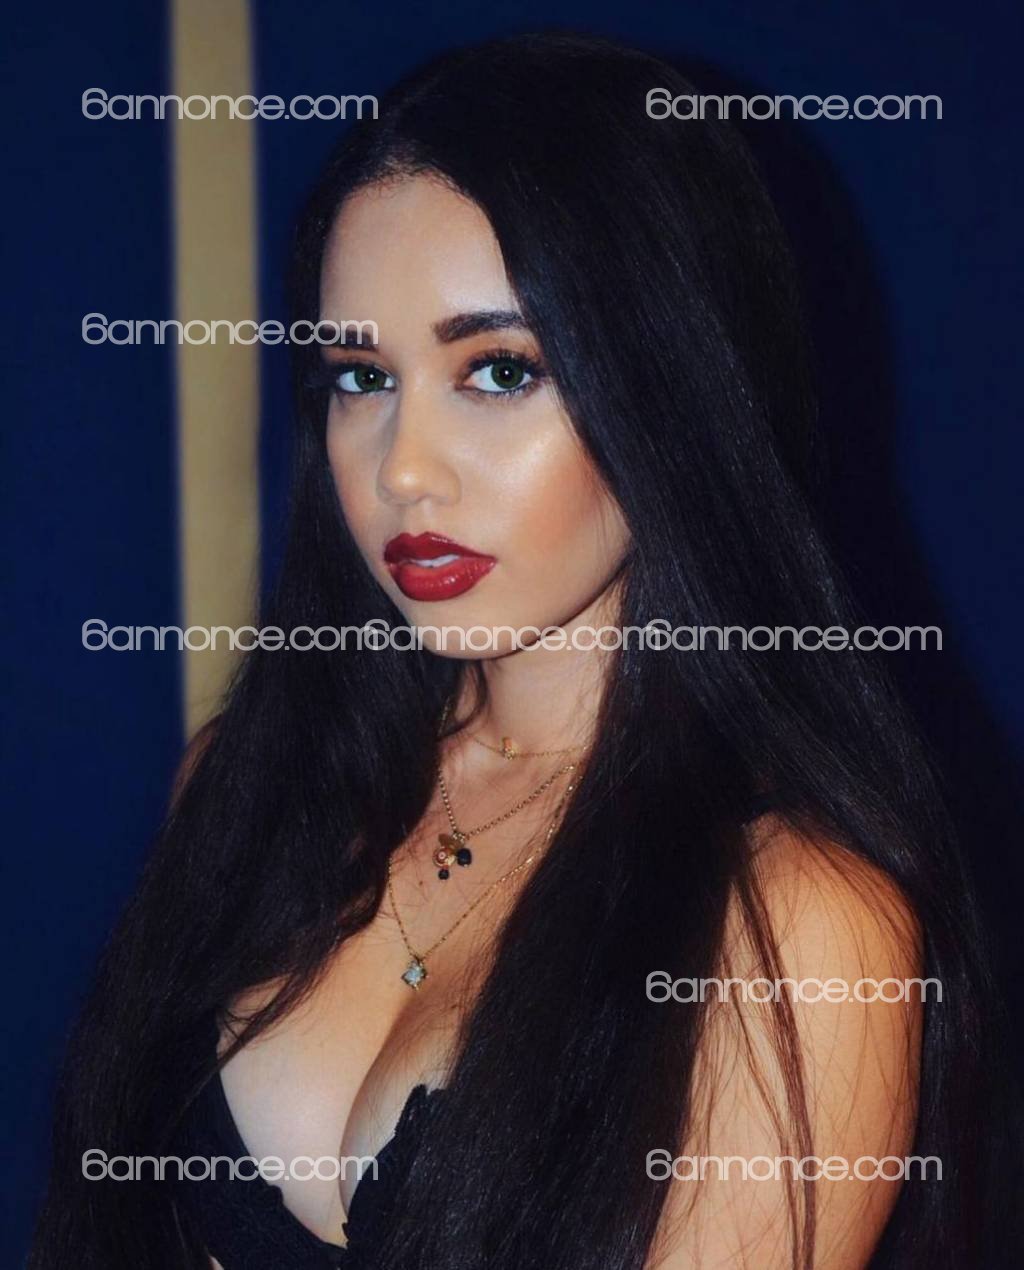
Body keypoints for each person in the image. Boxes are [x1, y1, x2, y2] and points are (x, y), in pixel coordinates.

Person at [29, 32, 1013, 1270]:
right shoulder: (244, 783)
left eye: (498, 370)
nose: (403, 469)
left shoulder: (799, 925)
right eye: (359, 377)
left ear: (669, 386)